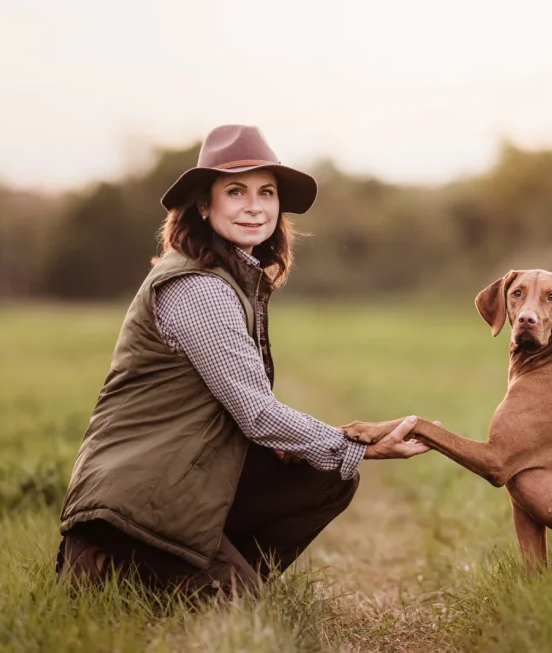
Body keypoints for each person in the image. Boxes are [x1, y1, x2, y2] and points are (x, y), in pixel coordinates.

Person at [56, 125, 430, 597]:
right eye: (236, 191)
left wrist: (336, 442)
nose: (255, 205)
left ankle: (215, 574)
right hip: (126, 515)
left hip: (174, 489)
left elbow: (246, 415)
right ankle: (141, 579)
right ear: (204, 205)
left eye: (266, 192)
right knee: (242, 612)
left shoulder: (229, 277)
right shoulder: (198, 286)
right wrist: (359, 446)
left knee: (325, 475)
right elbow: (256, 414)